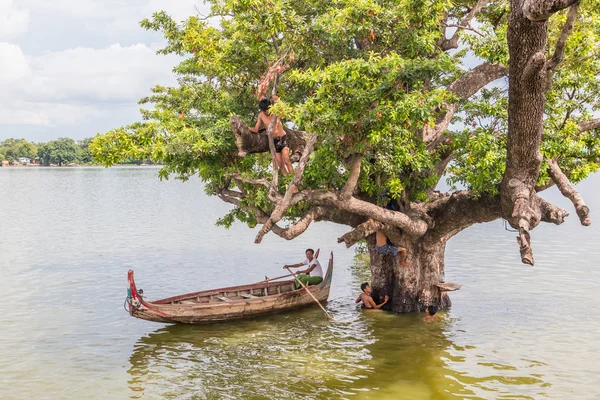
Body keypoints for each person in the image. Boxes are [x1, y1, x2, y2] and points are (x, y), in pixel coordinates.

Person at [248, 96, 294, 175]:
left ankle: (294, 185)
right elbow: (256, 129)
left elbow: (284, 111)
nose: (267, 112)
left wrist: (277, 100)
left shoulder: (275, 111)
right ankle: (288, 184)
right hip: (274, 142)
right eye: (265, 111)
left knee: (287, 160)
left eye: (268, 109)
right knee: (281, 165)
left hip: (282, 138)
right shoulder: (261, 116)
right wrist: (246, 128)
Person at [375, 196, 410, 267]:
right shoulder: (380, 225)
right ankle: (401, 262)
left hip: (382, 247)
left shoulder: (379, 225)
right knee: (404, 250)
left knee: (386, 208)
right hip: (381, 247)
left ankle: (388, 197)